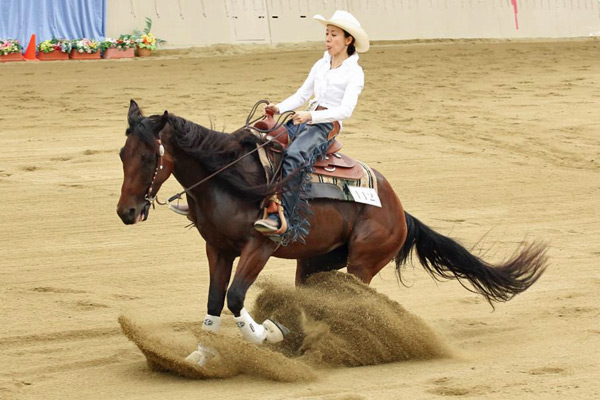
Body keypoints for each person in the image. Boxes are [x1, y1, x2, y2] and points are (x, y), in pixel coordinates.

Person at [253, 10, 369, 243]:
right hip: (306, 118)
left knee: (294, 155)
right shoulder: (321, 64)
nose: (328, 39)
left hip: (326, 125)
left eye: (334, 35)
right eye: (327, 34)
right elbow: (302, 95)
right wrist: (278, 108)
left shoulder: (355, 73)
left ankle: (286, 220)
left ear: (348, 40)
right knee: (261, 141)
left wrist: (311, 116)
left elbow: (345, 110)